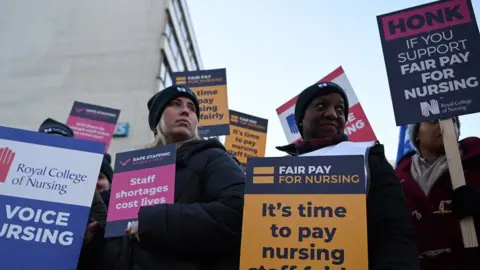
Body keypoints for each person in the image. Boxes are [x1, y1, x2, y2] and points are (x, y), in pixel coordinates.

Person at [276, 82, 419, 269]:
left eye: (340, 109)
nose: (332, 114)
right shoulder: (277, 171)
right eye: (321, 106)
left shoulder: (368, 157)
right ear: (301, 119)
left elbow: (394, 233)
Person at [104, 85, 245, 270]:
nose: (185, 111)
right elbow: (119, 240)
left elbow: (239, 211)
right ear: (158, 118)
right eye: (176, 104)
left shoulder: (215, 158)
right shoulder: (132, 169)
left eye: (192, 108)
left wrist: (153, 223)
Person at [396, 117, 480, 270]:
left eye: (452, 120)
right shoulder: (397, 177)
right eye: (433, 120)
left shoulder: (476, 160)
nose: (444, 124)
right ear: (416, 134)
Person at [38, 118, 108, 269]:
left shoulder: (86, 192)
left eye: (61, 146)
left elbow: (104, 235)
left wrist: (88, 240)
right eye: (47, 144)